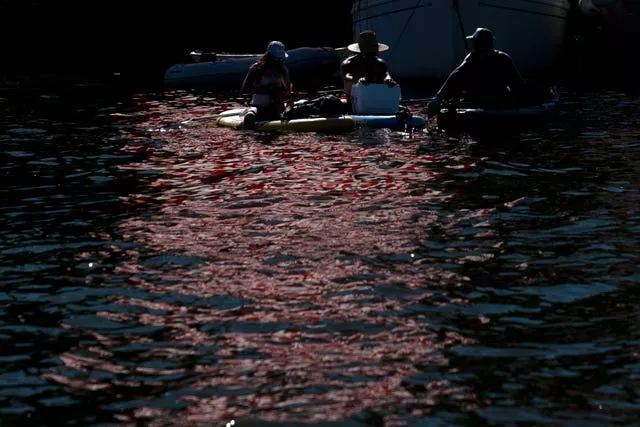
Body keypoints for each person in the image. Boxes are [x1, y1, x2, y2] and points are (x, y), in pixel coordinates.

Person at [427, 27, 525, 115]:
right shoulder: (499, 58)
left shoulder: (501, 59)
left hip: (495, 100)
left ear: (477, 44)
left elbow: (518, 85)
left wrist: (438, 97)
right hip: (486, 99)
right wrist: (438, 97)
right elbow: (455, 75)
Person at [240, 40, 293, 129]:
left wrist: (285, 90)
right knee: (250, 116)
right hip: (259, 106)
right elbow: (245, 89)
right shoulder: (257, 68)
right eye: (277, 58)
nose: (280, 61)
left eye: (281, 58)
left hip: (277, 107)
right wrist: (267, 89)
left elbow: (288, 87)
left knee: (291, 107)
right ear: (270, 56)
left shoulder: (282, 69)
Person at [340, 30, 397, 104]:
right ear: (361, 52)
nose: (372, 56)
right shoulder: (348, 63)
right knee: (348, 86)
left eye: (373, 52)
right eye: (368, 53)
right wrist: (357, 80)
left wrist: (388, 79)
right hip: (351, 99)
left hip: (375, 97)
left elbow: (386, 74)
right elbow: (347, 76)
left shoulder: (380, 63)